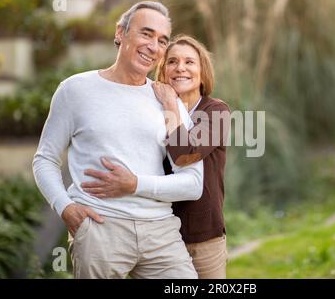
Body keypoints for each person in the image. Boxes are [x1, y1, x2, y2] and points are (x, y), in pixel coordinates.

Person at [33, 1, 203, 279]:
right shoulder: (76, 90)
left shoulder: (168, 101)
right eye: (146, 34)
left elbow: (193, 182)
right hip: (100, 227)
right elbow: (45, 159)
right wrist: (65, 208)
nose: (153, 46)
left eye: (162, 41)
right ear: (120, 33)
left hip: (161, 232)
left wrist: (134, 184)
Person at [87, 35, 231, 278]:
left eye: (189, 62)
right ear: (162, 70)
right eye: (172, 61)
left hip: (203, 238)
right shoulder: (147, 110)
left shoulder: (216, 111)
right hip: (154, 233)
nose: (180, 68)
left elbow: (185, 153)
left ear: (202, 72)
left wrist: (171, 106)